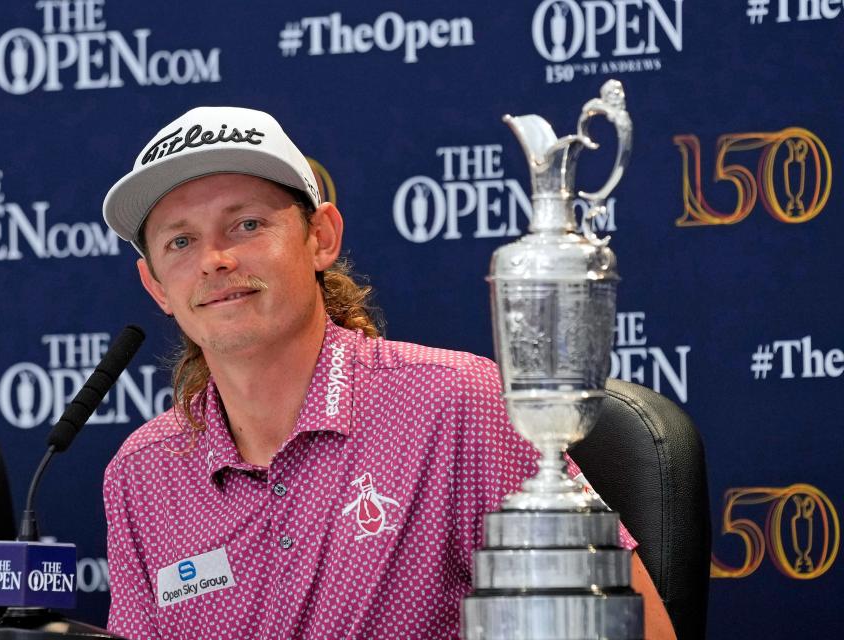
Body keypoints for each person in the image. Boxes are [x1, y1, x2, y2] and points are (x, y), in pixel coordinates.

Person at [101, 107, 675, 639]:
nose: (215, 260)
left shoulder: (458, 405)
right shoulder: (140, 474)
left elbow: (634, 630)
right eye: (181, 241)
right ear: (157, 288)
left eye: (247, 225)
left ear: (321, 238)